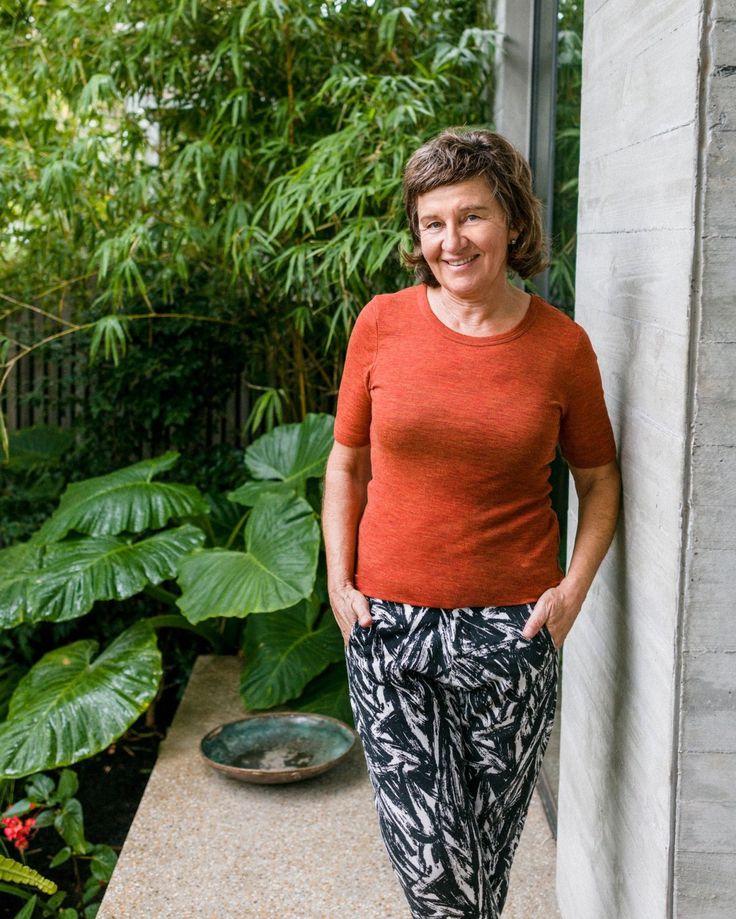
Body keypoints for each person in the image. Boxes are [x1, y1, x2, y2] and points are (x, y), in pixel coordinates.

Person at [322, 128, 620, 919]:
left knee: (484, 868)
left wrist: (572, 593)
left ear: (512, 222)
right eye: (432, 223)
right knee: (434, 876)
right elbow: (345, 464)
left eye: (471, 216)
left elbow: (599, 479)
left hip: (511, 636)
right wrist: (338, 581)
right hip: (389, 629)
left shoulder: (563, 348)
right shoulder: (381, 325)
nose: (451, 241)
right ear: (418, 235)